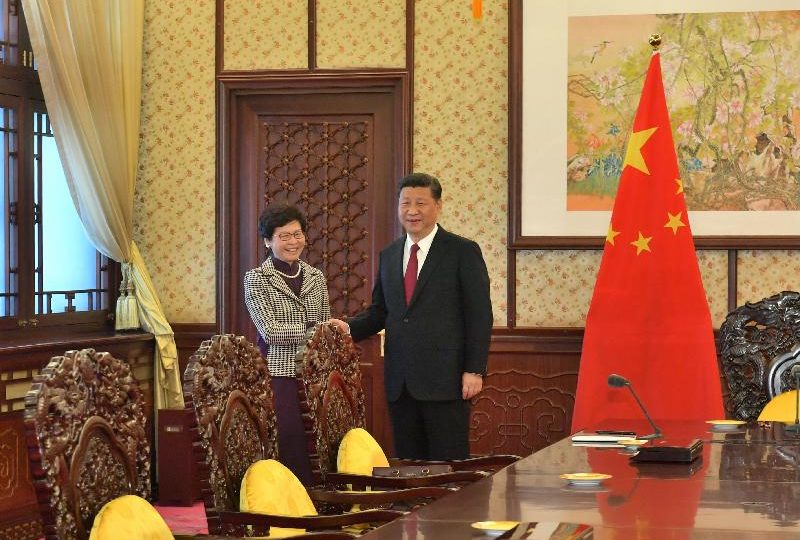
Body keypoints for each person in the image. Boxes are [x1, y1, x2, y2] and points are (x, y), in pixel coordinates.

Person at [334, 172, 493, 461]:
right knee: (409, 464)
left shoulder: (462, 251)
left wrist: (474, 369)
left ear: (438, 206)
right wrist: (347, 328)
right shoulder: (390, 254)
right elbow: (381, 311)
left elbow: (479, 315)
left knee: (448, 466)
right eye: (405, 203)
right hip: (401, 382)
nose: (412, 211)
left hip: (447, 380)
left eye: (420, 203)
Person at [244, 203, 344, 484]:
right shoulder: (256, 279)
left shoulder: (316, 276)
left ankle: (321, 499)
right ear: (268, 241)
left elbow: (325, 329)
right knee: (289, 437)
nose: (293, 242)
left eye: (297, 234)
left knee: (321, 437)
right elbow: (271, 331)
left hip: (316, 373)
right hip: (279, 373)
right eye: (283, 236)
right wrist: (315, 329)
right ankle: (293, 504)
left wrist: (322, 335)